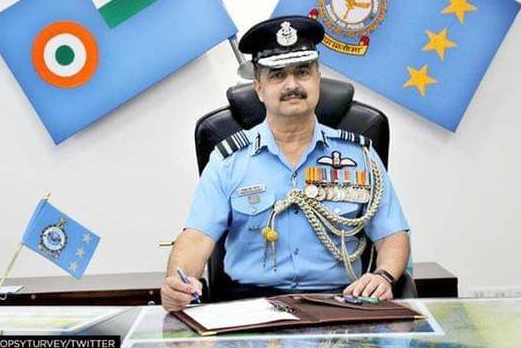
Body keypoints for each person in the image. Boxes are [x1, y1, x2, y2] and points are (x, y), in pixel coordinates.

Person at [161, 16, 410, 312]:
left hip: (341, 302)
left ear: (318, 78)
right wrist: (179, 282)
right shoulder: (228, 160)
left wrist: (383, 276)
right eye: (277, 75)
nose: (292, 85)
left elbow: (391, 234)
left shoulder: (360, 156)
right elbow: (197, 237)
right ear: (259, 88)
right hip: (249, 306)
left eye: (302, 72)